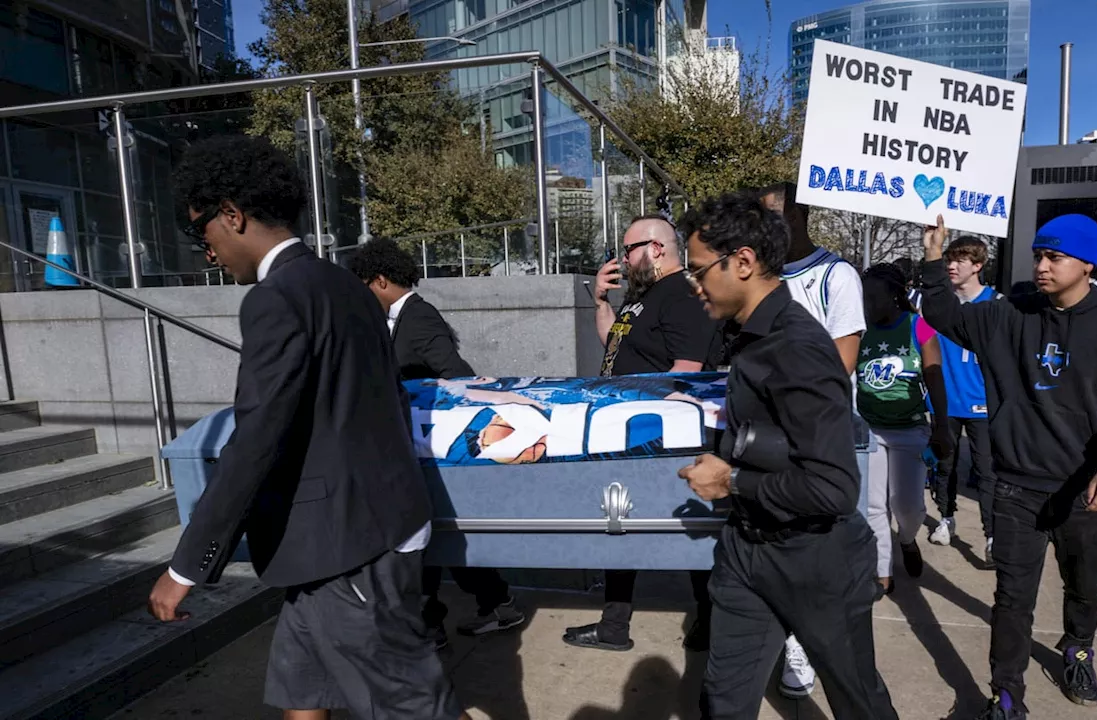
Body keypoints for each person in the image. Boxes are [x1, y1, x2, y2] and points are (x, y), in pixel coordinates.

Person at [148, 136, 468, 720]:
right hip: (342, 535)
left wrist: (185, 566)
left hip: (348, 547)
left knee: (411, 707)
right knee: (301, 689)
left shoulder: (276, 298)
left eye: (203, 233)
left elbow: (255, 441)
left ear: (232, 214)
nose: (208, 253)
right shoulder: (345, 283)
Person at [919, 212, 1097, 719]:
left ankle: (1077, 652)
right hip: (1013, 487)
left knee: (1084, 585)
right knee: (1012, 600)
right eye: (1038, 255)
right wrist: (933, 256)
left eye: (1054, 256)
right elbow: (943, 316)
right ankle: (1006, 696)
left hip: (1081, 490)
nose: (1042, 266)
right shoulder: (1013, 313)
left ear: (1087, 263)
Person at [677, 191, 897, 719]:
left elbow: (833, 488)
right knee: (723, 700)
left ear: (744, 262)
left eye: (699, 269)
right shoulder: (743, 334)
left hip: (817, 560)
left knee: (858, 702)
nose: (693, 283)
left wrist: (731, 482)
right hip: (747, 551)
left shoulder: (797, 347)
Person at [349, 238, 525, 648]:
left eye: (362, 286)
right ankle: (496, 604)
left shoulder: (418, 316)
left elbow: (456, 374)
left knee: (422, 541)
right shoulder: (398, 319)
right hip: (417, 446)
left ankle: (429, 626)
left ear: (378, 280)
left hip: (429, 448)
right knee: (440, 538)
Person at [563, 214, 718, 653]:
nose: (623, 259)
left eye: (629, 249)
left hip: (657, 439)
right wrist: (600, 301)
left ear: (657, 248)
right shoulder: (643, 298)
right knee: (620, 524)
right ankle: (614, 625)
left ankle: (708, 619)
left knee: (688, 527)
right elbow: (616, 345)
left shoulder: (682, 295)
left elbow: (687, 371)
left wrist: (640, 424)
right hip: (627, 434)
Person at [757, 181, 865, 698]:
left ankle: (804, 643)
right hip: (767, 432)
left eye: (776, 215)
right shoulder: (759, 276)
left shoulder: (836, 275)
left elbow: (844, 360)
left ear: (801, 214)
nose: (769, 228)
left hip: (818, 432)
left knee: (815, 541)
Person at [859, 263, 950, 595]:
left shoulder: (919, 327)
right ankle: (882, 570)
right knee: (872, 506)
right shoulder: (859, 328)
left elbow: (935, 376)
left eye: (872, 296)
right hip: (869, 429)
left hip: (910, 430)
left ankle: (908, 539)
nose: (866, 302)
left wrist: (943, 426)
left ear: (895, 296)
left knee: (907, 506)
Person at [928, 236, 1000, 569]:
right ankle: (946, 518)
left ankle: (990, 536)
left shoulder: (996, 304)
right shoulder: (940, 307)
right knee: (945, 465)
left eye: (960, 260)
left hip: (982, 402)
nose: (952, 266)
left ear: (978, 265)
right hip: (945, 400)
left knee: (986, 470)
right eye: (949, 260)